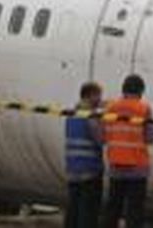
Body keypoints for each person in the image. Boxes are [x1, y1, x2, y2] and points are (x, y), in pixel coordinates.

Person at [103, 74, 153, 228]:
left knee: (113, 208)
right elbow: (150, 138)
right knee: (135, 211)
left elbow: (104, 134)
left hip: (115, 167)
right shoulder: (144, 108)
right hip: (137, 168)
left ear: (123, 89)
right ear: (141, 91)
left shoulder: (111, 107)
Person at [64, 82, 104, 228]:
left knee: (73, 210)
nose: (100, 99)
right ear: (91, 95)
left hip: (73, 169)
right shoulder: (90, 116)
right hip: (90, 171)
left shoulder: (71, 114)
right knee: (88, 214)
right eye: (98, 95)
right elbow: (100, 139)